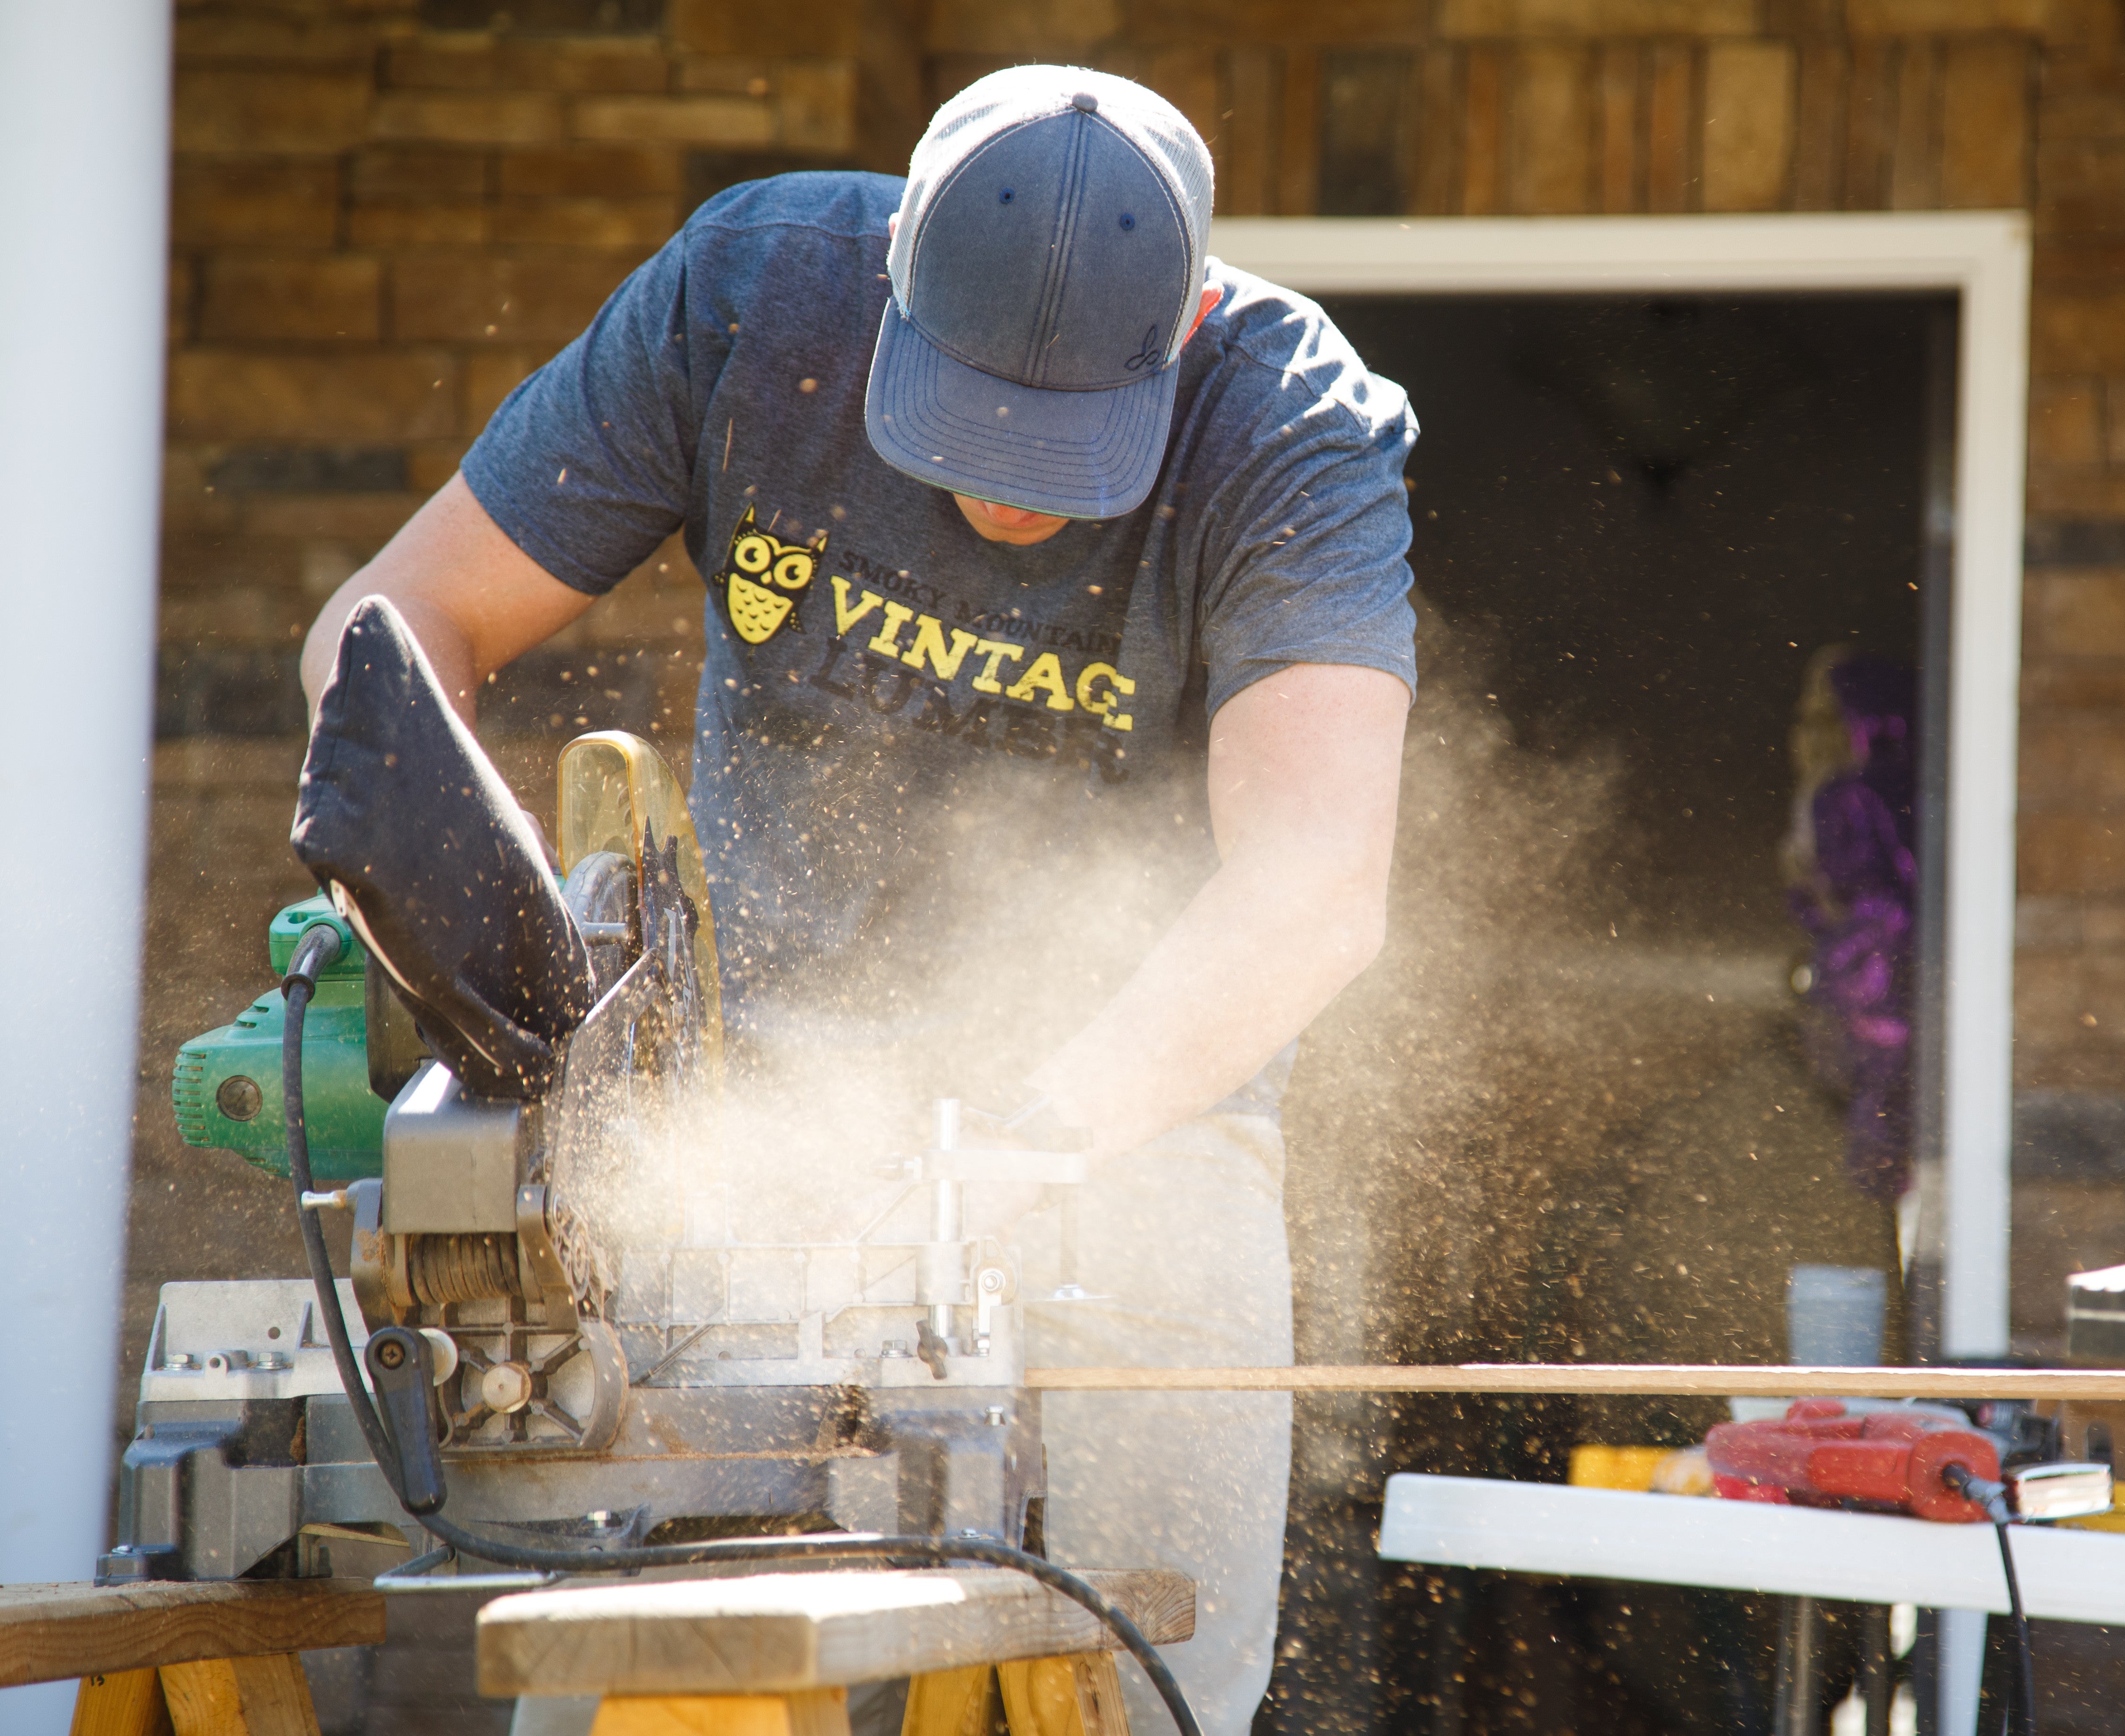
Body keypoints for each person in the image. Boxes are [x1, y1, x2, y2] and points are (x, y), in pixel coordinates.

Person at [298, 64, 1417, 1736]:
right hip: (761, 1083)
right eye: (966, 423)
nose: (1012, 490)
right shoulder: (756, 294)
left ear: (1180, 329)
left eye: (1062, 446)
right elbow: (388, 632)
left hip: (1134, 1106)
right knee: (650, 1673)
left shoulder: (1290, 424)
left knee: (1150, 1661)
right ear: (892, 275)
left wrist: (1037, 1141)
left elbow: (1317, 881)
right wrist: (496, 946)